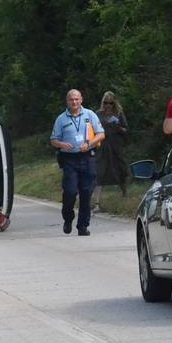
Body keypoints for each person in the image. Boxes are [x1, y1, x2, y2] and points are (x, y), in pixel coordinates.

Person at [50, 90, 105, 236]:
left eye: (76, 99)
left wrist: (89, 143)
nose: (74, 102)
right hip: (69, 159)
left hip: (87, 157)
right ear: (67, 101)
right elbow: (53, 140)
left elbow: (101, 134)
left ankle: (83, 226)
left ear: (81, 100)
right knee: (70, 191)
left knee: (86, 192)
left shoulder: (90, 115)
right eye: (71, 100)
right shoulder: (61, 119)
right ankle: (68, 218)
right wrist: (62, 144)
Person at [95, 91, 128, 209]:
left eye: (110, 103)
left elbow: (126, 130)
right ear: (103, 102)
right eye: (106, 102)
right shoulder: (98, 114)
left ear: (114, 103)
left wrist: (118, 126)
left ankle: (124, 193)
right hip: (102, 145)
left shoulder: (119, 113)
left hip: (116, 145)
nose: (108, 105)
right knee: (100, 172)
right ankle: (97, 203)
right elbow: (92, 130)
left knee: (120, 168)